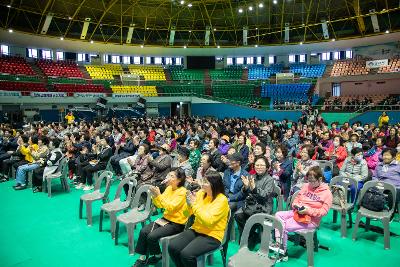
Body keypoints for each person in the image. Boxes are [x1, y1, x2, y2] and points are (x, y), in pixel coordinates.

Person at [168, 171, 229, 267]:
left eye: (205, 182)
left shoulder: (222, 200)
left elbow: (208, 221)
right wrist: (188, 205)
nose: (202, 184)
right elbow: (187, 213)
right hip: (196, 229)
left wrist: (194, 205)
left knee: (186, 254)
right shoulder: (201, 193)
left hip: (212, 235)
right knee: (173, 247)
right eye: (203, 181)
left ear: (214, 185)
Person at [132, 168, 190, 267]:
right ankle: (142, 258)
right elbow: (160, 205)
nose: (168, 177)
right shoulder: (168, 188)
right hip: (166, 219)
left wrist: (159, 195)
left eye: (172, 176)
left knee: (152, 237)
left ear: (179, 180)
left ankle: (158, 255)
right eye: (169, 175)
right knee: (144, 231)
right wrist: (155, 196)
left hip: (177, 223)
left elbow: (171, 207)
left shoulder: (182, 192)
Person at [274, 166, 332, 258]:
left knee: (283, 226)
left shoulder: (327, 193)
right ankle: (279, 243)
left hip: (310, 220)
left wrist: (308, 211)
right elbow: (297, 198)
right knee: (278, 215)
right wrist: (296, 205)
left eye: (313, 181)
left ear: (320, 179)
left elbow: (324, 211)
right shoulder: (306, 186)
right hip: (298, 213)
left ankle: (282, 252)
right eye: (309, 180)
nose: (311, 183)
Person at [235, 157, 275, 248]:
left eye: (262, 165)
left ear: (267, 167)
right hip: (251, 205)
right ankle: (251, 235)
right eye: (257, 165)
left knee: (251, 217)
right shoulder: (251, 176)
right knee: (238, 215)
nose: (259, 167)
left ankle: (250, 236)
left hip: (263, 206)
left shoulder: (270, 179)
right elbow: (244, 193)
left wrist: (255, 189)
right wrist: (245, 188)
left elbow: (265, 196)